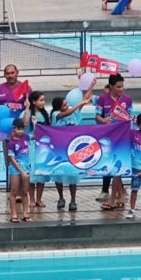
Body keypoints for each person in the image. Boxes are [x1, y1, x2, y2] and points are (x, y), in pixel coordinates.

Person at [50, 79, 95, 211]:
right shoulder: (55, 115)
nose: (67, 105)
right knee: (58, 175)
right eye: (64, 104)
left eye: (66, 103)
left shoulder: (74, 113)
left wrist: (91, 86)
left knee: (73, 176)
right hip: (59, 150)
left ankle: (73, 200)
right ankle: (61, 197)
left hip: (72, 150)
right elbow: (67, 113)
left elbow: (84, 100)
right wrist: (79, 104)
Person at [96, 74, 133, 211]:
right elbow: (97, 115)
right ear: (111, 86)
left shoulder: (127, 99)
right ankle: (119, 195)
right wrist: (104, 120)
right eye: (118, 87)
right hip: (108, 137)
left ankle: (114, 199)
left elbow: (130, 117)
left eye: (122, 86)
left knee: (118, 166)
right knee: (111, 166)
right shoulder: (103, 99)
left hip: (122, 136)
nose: (121, 89)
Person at [23, 91, 50, 208]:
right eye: (41, 100)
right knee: (32, 174)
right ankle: (32, 199)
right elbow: (24, 124)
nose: (43, 102)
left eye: (44, 100)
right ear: (34, 102)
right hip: (32, 146)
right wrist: (27, 109)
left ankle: (39, 199)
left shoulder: (45, 114)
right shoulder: (28, 113)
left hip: (43, 147)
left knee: (42, 173)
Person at [6, 118, 31, 223]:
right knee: (14, 192)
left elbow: (36, 136)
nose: (21, 131)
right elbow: (12, 159)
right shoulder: (11, 142)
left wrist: (36, 125)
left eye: (22, 129)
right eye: (18, 129)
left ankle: (26, 214)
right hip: (16, 169)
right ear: (13, 129)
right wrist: (21, 172)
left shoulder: (25, 137)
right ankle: (14, 214)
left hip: (26, 168)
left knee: (25, 192)